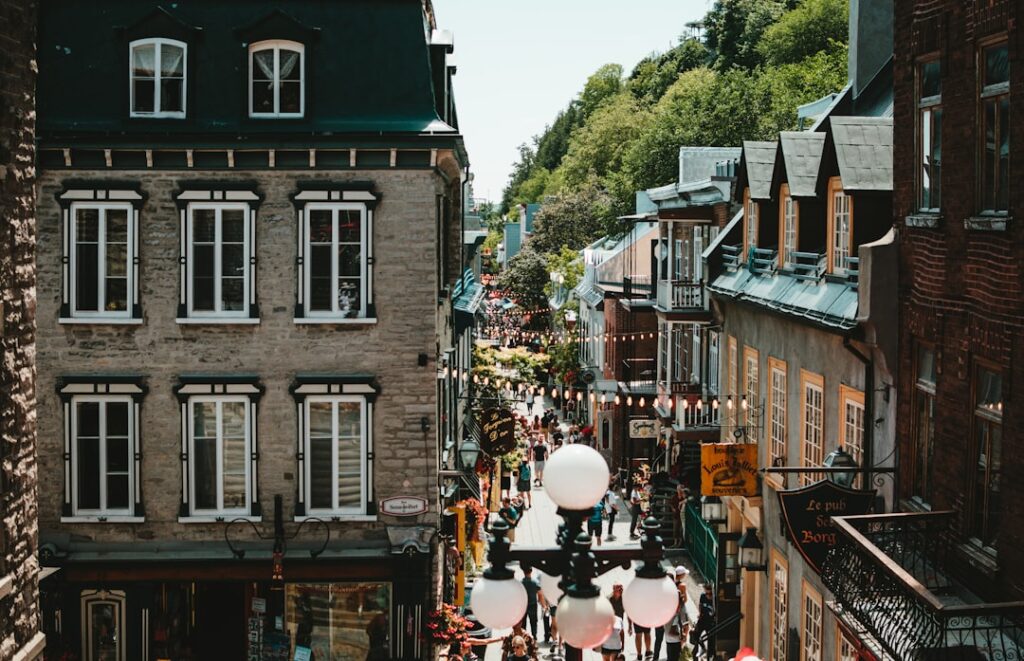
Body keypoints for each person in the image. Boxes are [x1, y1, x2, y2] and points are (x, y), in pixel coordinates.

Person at [663, 583, 691, 661]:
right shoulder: (673, 611)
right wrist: (682, 637)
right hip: (673, 641)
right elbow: (671, 631)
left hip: (672, 640)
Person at [520, 566, 545, 640]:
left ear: (523, 572)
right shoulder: (535, 582)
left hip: (523, 606)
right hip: (533, 605)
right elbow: (540, 594)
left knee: (523, 624)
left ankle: (523, 639)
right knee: (533, 622)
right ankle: (534, 637)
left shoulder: (521, 583)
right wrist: (542, 604)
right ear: (531, 571)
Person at [694, 584, 715, 660]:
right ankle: (702, 647)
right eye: (706, 593)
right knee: (695, 634)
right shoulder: (703, 596)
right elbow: (700, 605)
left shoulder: (714, 599)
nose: (708, 595)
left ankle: (710, 655)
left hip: (710, 621)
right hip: (702, 619)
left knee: (711, 639)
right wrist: (699, 613)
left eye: (710, 594)